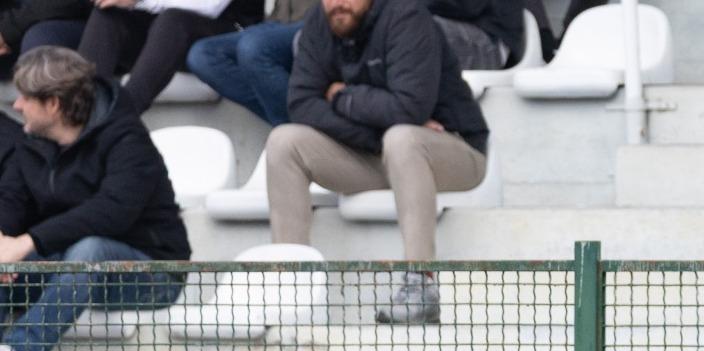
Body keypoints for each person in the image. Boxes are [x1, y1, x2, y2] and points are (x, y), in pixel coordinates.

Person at [267, 0, 491, 326]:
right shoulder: (323, 20)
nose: (337, 4)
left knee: (403, 138)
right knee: (284, 142)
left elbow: (409, 108)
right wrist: (376, 135)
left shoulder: (407, 16)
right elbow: (301, 103)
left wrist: (342, 97)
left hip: (454, 150)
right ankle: (288, 287)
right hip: (378, 152)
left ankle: (420, 285)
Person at [0, 45, 188, 351]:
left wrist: (27, 242)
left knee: (90, 249)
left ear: (53, 104)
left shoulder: (127, 139)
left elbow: (111, 213)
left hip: (149, 275)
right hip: (68, 272)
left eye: (25, 97)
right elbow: (12, 198)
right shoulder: (33, 142)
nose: (17, 105)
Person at [75, 0, 265, 119]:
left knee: (172, 20)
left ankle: (119, 119)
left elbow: (210, 6)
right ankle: (78, 114)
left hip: (230, 33)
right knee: (107, 15)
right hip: (164, 35)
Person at [185, 0, 316, 125]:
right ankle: (293, 125)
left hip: (314, 21)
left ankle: (298, 131)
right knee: (202, 55)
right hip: (277, 20)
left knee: (252, 47)